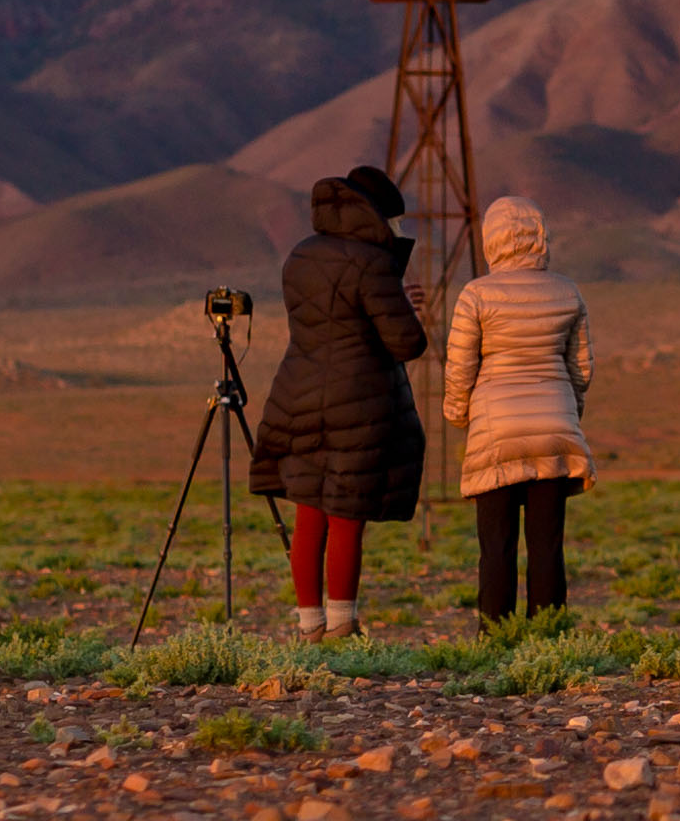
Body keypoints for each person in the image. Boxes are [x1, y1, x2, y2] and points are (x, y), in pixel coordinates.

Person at [247, 163, 430, 640]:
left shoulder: (301, 255)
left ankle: (310, 625)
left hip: (299, 393)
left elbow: (332, 319)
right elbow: (406, 342)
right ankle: (344, 625)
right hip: (359, 402)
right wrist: (403, 303)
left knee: (309, 509)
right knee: (347, 513)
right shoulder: (370, 263)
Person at [445, 193, 593, 619]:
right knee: (547, 546)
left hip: (496, 430)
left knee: (496, 546)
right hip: (554, 427)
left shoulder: (476, 295)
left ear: (491, 240)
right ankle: (548, 638)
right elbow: (581, 367)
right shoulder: (567, 292)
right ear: (540, 237)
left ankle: (497, 641)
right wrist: (569, 411)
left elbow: (460, 366)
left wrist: (458, 413)